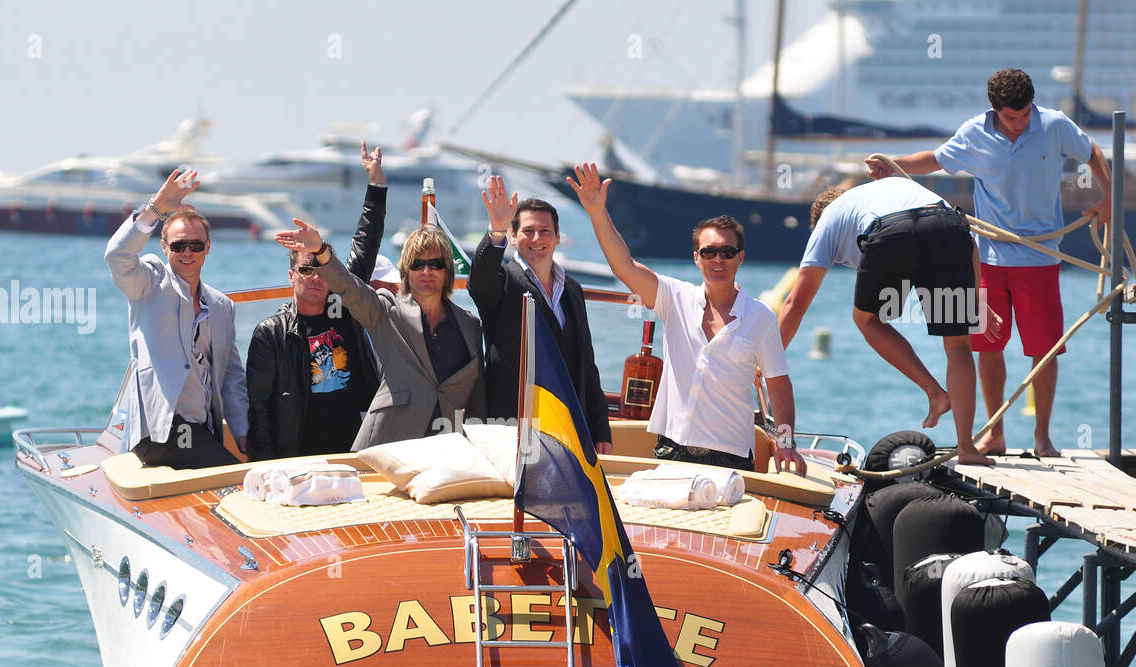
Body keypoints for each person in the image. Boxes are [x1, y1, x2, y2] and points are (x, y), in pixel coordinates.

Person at [867, 68, 1113, 457]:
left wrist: (1108, 197)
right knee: (988, 346)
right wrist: (892, 164)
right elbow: (934, 158)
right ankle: (994, 433)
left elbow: (1092, 152)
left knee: (1044, 349)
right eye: (1011, 117)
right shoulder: (974, 133)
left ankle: (1042, 437)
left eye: (1025, 114)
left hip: (1041, 258)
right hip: (988, 258)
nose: (1019, 124)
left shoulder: (1054, 125)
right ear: (995, 110)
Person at [567, 162, 805, 476]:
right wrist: (598, 212)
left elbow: (778, 384)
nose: (718, 259)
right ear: (696, 258)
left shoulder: (760, 317)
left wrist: (785, 442)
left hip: (732, 459)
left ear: (740, 257)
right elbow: (624, 266)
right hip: (671, 450)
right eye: (708, 252)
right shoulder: (674, 297)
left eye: (727, 251)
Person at [778, 178, 997, 466]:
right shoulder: (882, 193)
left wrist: (765, 361)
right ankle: (967, 448)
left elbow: (795, 303)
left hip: (894, 232)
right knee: (958, 344)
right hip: (949, 227)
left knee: (867, 321)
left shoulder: (828, 220)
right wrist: (976, 303)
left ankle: (934, 392)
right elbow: (969, 244)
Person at [274, 219, 486, 449]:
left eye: (435, 264)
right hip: (390, 444)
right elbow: (348, 287)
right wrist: (321, 251)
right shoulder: (386, 310)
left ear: (447, 271)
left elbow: (477, 396)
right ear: (406, 271)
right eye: (417, 264)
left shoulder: (469, 324)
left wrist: (480, 446)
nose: (426, 271)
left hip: (447, 447)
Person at [246, 143, 387, 460]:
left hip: (352, 452)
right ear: (291, 275)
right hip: (296, 456)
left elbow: (366, 242)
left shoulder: (346, 306)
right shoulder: (271, 333)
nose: (314, 276)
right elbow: (258, 409)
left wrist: (377, 185)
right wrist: (264, 470)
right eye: (305, 269)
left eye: (321, 268)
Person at [105, 169, 248, 469]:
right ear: (164, 247)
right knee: (231, 479)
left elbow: (232, 377)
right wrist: (156, 207)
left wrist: (244, 432)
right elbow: (117, 256)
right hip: (162, 433)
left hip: (203, 431)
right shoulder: (151, 280)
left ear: (207, 248)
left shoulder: (222, 306)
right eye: (178, 245)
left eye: (195, 245)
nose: (187, 252)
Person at [468, 176, 612, 453]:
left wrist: (599, 428)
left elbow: (586, 363)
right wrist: (496, 227)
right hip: (514, 424)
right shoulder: (501, 281)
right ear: (513, 236)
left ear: (558, 237)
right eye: (528, 231)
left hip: (568, 424)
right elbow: (479, 280)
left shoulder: (572, 290)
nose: (537, 238)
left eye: (545, 231)